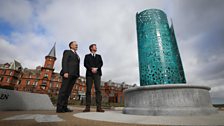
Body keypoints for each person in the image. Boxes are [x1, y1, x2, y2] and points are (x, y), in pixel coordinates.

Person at [56, 41, 80, 113]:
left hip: (74, 75)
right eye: (75, 44)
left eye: (77, 45)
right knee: (63, 91)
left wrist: (77, 74)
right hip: (68, 74)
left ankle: (64, 107)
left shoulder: (77, 55)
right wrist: (65, 71)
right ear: (71, 46)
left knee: (68, 92)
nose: (77, 45)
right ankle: (59, 108)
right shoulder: (67, 52)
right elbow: (64, 61)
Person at [83, 44, 105, 112]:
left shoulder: (99, 56)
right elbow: (85, 64)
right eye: (95, 46)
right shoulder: (87, 56)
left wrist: (96, 68)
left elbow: (101, 63)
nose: (96, 48)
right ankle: (87, 107)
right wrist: (91, 69)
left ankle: (99, 108)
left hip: (97, 74)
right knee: (88, 90)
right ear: (91, 48)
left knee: (98, 90)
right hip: (89, 74)